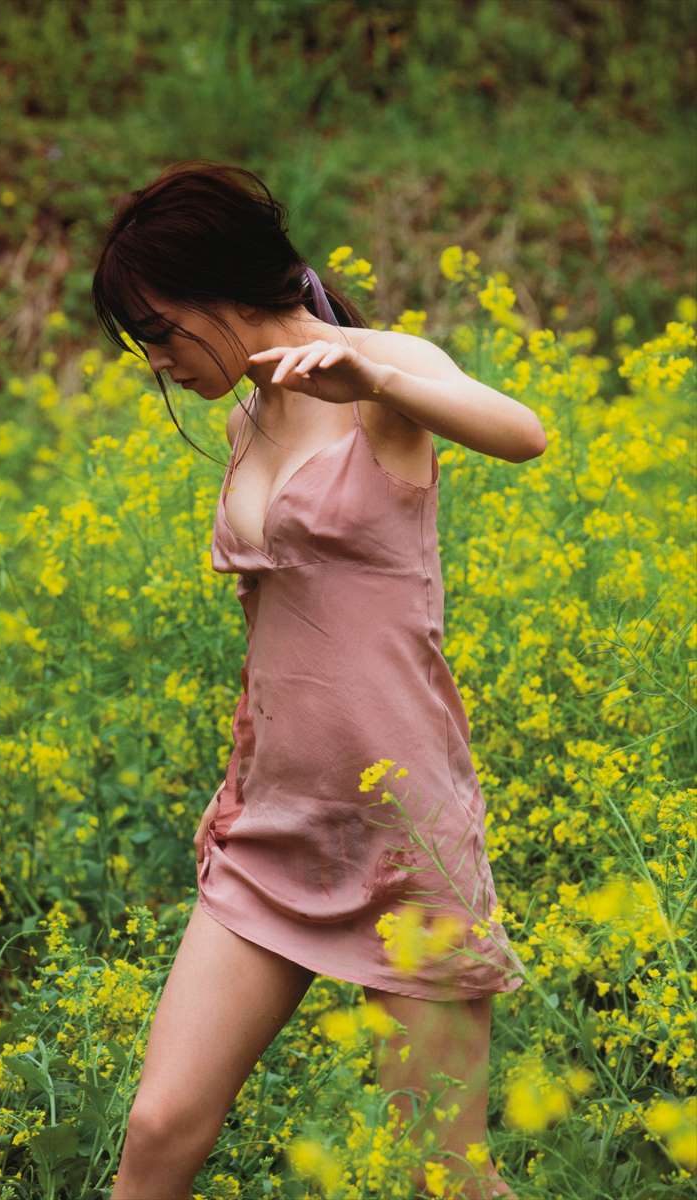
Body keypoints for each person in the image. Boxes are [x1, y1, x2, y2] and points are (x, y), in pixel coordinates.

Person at [92, 160, 547, 1200]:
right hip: (274, 826)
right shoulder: (246, 418)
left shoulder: (383, 370)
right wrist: (236, 784)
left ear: (222, 288)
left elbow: (523, 435)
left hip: (403, 832)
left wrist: (374, 380)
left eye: (161, 331)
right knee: (158, 1127)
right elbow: (277, 634)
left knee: (445, 1175)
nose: (158, 361)